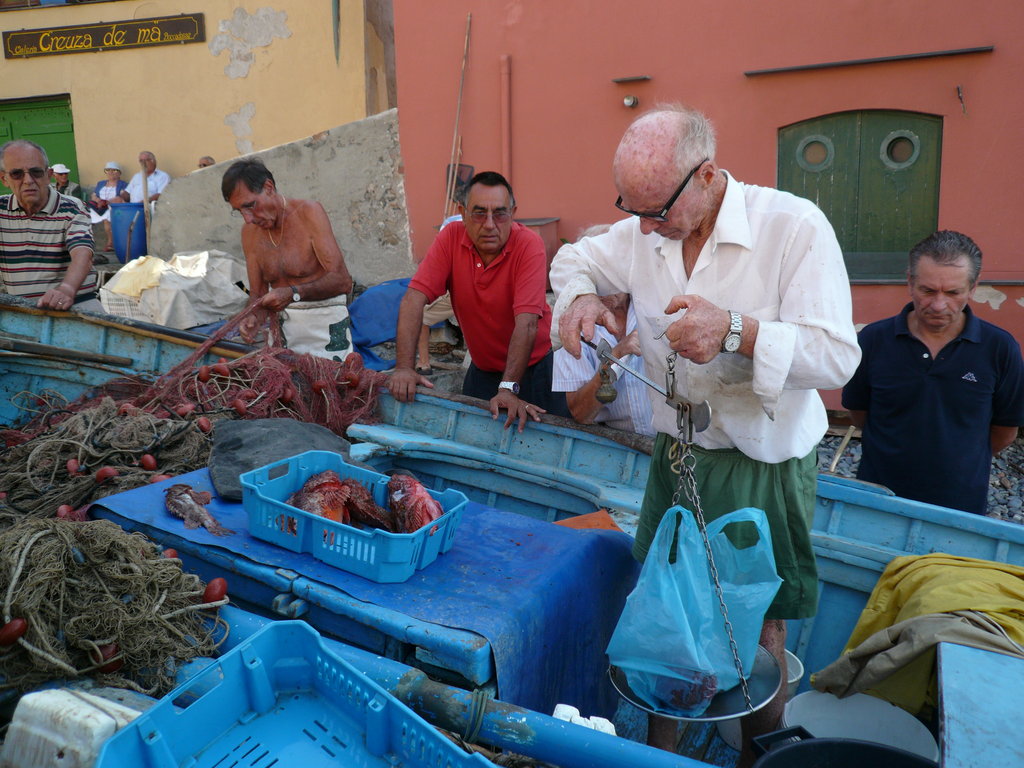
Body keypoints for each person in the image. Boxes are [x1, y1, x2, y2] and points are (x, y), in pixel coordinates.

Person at [550, 105, 860, 762]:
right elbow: (578, 255)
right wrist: (578, 295)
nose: (644, 228)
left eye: (656, 211)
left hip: (761, 462)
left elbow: (838, 358)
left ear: (709, 175)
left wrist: (737, 332)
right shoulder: (646, 229)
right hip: (677, 451)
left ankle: (756, 754)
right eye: (632, 211)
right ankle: (660, 751)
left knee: (759, 623)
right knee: (666, 602)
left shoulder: (794, 227)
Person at [843, 231, 1024, 516]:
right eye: (928, 291)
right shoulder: (873, 341)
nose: (939, 305)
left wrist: (961, 461)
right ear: (909, 282)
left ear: (973, 288)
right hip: (878, 496)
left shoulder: (999, 348)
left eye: (953, 293)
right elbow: (859, 411)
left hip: (960, 504)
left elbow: (1005, 430)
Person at [390, 171, 569, 431]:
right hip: (483, 370)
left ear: (513, 213)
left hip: (537, 372)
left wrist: (508, 389)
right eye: (479, 213)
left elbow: (528, 323)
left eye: (499, 213)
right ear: (462, 213)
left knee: (546, 453)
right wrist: (404, 368)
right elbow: (413, 298)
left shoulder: (529, 244)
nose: (489, 224)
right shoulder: (450, 237)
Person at [221, 157, 354, 360]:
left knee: (331, 387)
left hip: (325, 324)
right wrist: (253, 317)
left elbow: (343, 281)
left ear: (269, 187)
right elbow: (257, 294)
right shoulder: (249, 232)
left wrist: (293, 294)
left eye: (250, 206)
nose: (248, 218)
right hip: (281, 333)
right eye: (239, 211)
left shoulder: (309, 213)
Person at [0, 139, 101, 311]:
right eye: (17, 174)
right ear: (4, 179)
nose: (28, 180)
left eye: (36, 172)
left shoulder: (71, 207)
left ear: (48, 175)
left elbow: (83, 253)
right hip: (22, 312)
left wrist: (66, 289)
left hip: (76, 305)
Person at [88, 162, 128, 254]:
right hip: (99, 206)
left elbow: (121, 197)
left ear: (119, 173)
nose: (110, 172)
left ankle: (111, 242)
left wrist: (107, 202)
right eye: (108, 170)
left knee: (107, 217)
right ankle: (88, 242)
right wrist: (99, 201)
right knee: (85, 216)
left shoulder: (123, 184)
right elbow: (93, 195)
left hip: (114, 207)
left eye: (114, 170)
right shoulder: (101, 183)